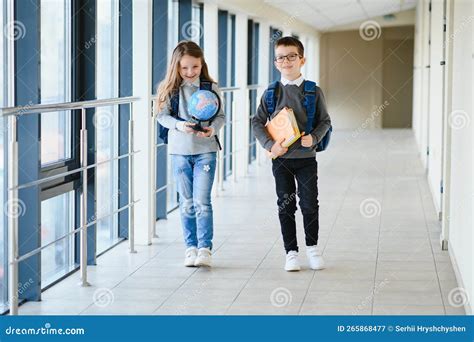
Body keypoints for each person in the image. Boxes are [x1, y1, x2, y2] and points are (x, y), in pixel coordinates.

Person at [251, 36, 331, 271]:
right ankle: (291, 252)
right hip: (281, 160)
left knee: (309, 204)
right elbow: (257, 121)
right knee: (285, 206)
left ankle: (313, 249)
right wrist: (269, 145)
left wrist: (314, 138)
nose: (286, 61)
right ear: (276, 63)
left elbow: (325, 121)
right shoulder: (271, 93)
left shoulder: (313, 91)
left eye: (292, 56)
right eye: (281, 57)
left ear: (302, 59)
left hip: (306, 159)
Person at [156, 41, 224, 267]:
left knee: (202, 201)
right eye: (184, 68)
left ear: (201, 64)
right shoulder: (168, 89)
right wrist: (178, 125)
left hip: (206, 150)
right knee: (186, 201)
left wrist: (213, 129)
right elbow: (161, 116)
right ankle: (190, 248)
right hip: (179, 152)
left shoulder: (210, 88)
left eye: (194, 67)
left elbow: (221, 117)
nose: (189, 72)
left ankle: (205, 248)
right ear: (176, 66)